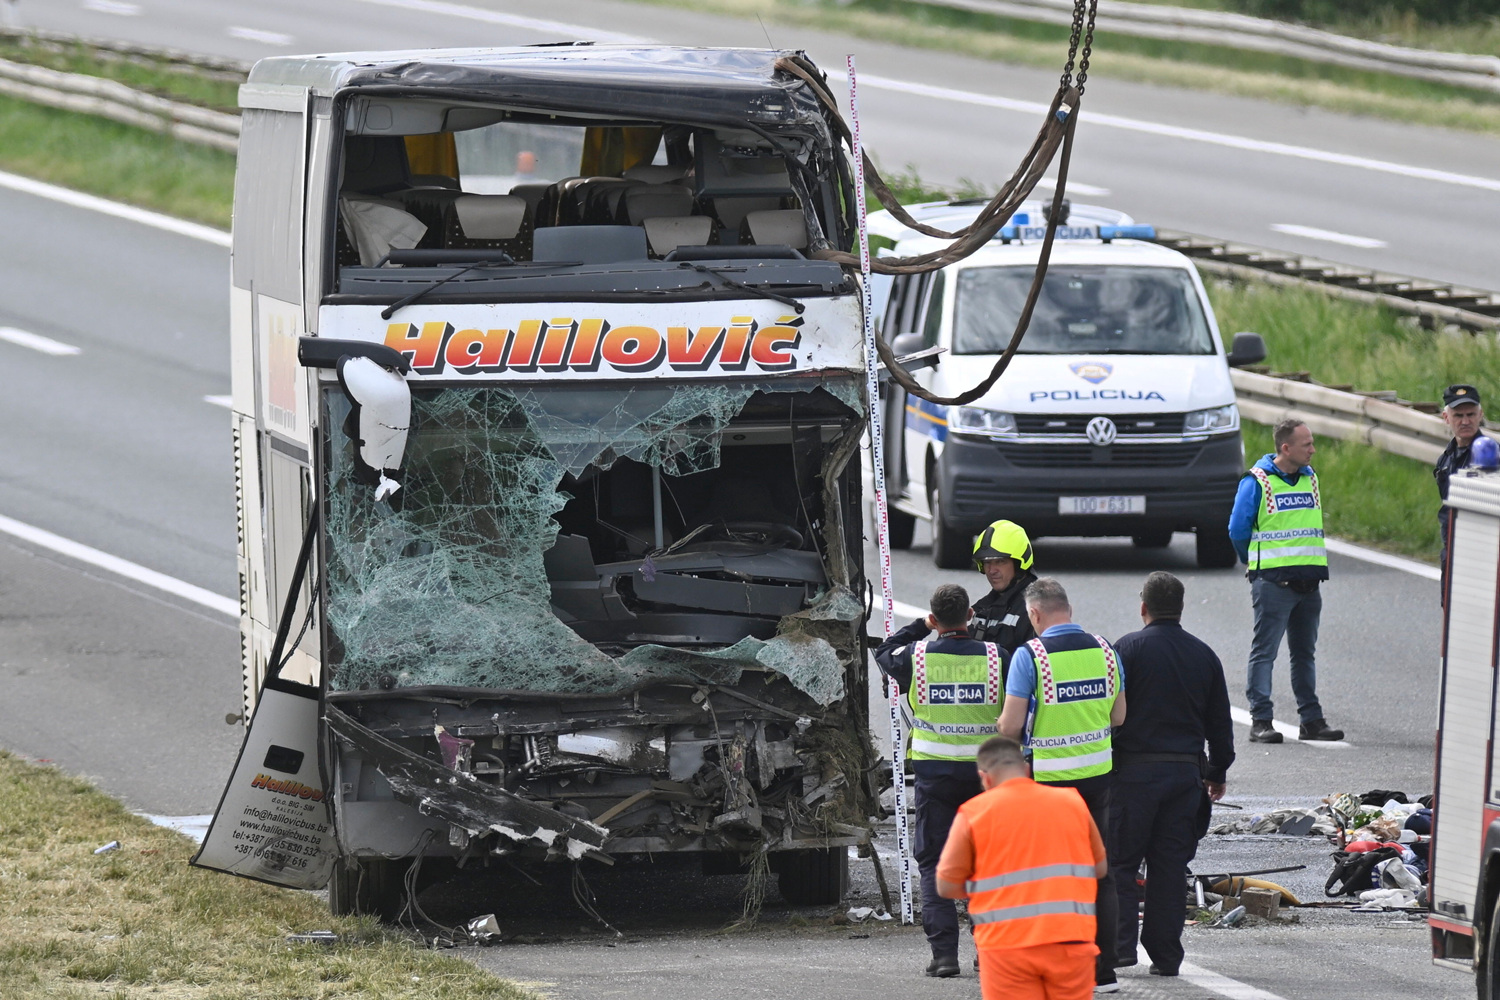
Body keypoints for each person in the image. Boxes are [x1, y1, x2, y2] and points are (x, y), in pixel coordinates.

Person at [998, 578, 1127, 993]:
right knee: (1098, 873)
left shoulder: (1030, 656)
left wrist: (1003, 729)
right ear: (1066, 609)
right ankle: (1104, 972)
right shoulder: (1106, 650)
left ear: (1034, 614)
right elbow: (1118, 716)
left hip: (1051, 783)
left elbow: (1012, 726)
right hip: (1097, 778)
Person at [875, 583, 1007, 978]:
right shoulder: (997, 656)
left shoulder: (915, 657)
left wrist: (918, 626)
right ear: (970, 615)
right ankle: (989, 953)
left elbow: (883, 652)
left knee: (934, 862)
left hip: (935, 774)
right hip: (985, 776)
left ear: (935, 619)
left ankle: (945, 955)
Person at [1109, 572, 1235, 976]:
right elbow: (1221, 726)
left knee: (1120, 864)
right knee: (1168, 869)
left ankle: (1120, 947)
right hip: (1184, 779)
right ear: (1180, 608)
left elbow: (1106, 713)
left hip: (1132, 777)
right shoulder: (1204, 655)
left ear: (1143, 607)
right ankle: (1166, 957)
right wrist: (1216, 772)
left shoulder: (1124, 650)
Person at [938, 736, 1107, 1000]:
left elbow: (946, 885)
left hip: (1006, 947)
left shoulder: (974, 812)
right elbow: (1099, 868)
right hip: (1070, 941)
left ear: (986, 778)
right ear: (1027, 770)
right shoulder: (1072, 802)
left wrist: (987, 886)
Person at [1227, 418, 1342, 743]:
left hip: (1309, 584)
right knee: (1265, 653)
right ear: (1286, 447)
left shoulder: (1310, 478)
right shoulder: (1257, 482)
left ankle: (1311, 720)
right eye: (1307, 444)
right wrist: (1253, 562)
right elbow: (1238, 530)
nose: (1313, 450)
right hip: (1274, 584)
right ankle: (1261, 720)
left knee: (1304, 654)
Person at [1435, 384, 1488, 578]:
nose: (1465, 421)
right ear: (1446, 418)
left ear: (1480, 415)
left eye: (1471, 414)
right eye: (1458, 416)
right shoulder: (1446, 458)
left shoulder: (1491, 456)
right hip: (1453, 551)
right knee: (1450, 607)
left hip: (1485, 554)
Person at [970, 519, 1039, 656]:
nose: (991, 570)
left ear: (1019, 564)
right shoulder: (981, 608)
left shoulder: (1036, 608)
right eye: (987, 563)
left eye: (1000, 562)